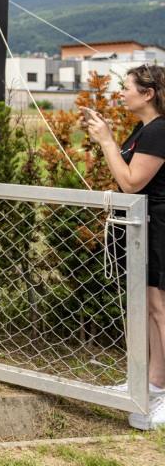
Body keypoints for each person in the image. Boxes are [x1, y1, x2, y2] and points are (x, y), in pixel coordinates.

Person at [83, 64, 165, 430]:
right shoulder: (144, 129)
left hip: (158, 229)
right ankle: (154, 383)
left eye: (127, 87)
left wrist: (105, 141)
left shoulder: (159, 130)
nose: (121, 93)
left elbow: (132, 182)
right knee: (149, 307)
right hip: (144, 228)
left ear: (148, 94)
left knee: (160, 309)